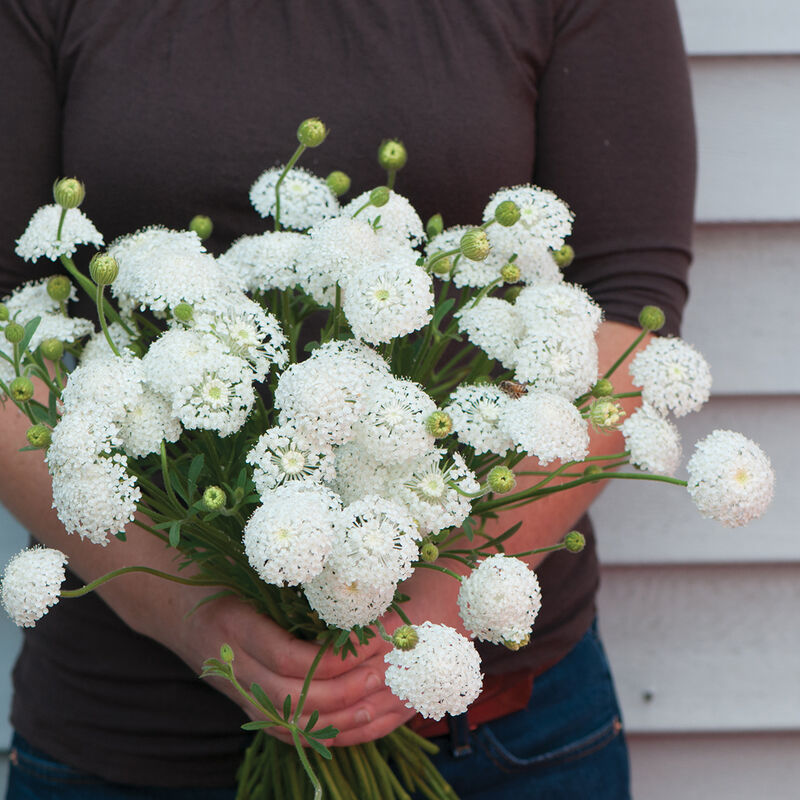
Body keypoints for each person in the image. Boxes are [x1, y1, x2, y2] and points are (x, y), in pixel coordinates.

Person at [0, 0, 695, 797]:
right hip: (127, 727)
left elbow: (626, 303)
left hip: (487, 730)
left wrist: (428, 622)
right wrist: (189, 613)